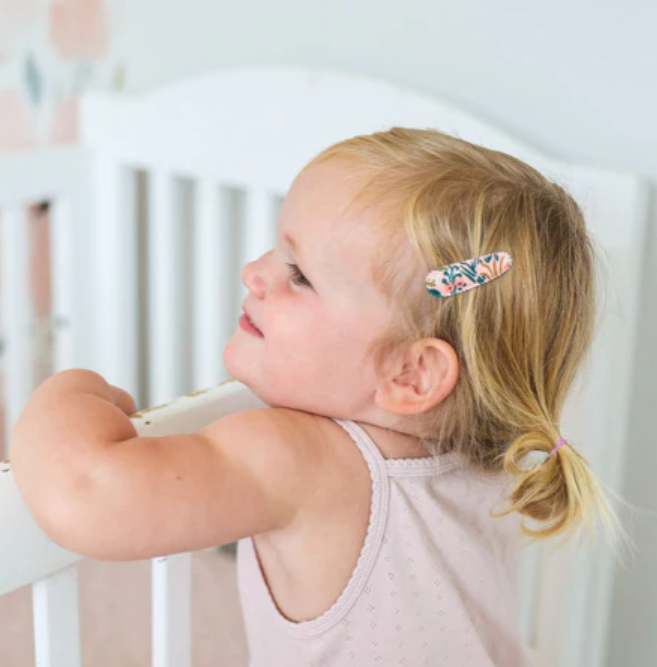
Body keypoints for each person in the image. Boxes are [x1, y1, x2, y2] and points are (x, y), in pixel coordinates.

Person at [10, 128, 630, 666]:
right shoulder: (497, 460)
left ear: (413, 376)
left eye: (299, 275)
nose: (255, 270)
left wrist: (64, 395)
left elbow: (84, 493)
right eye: (279, 249)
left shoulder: (301, 460)